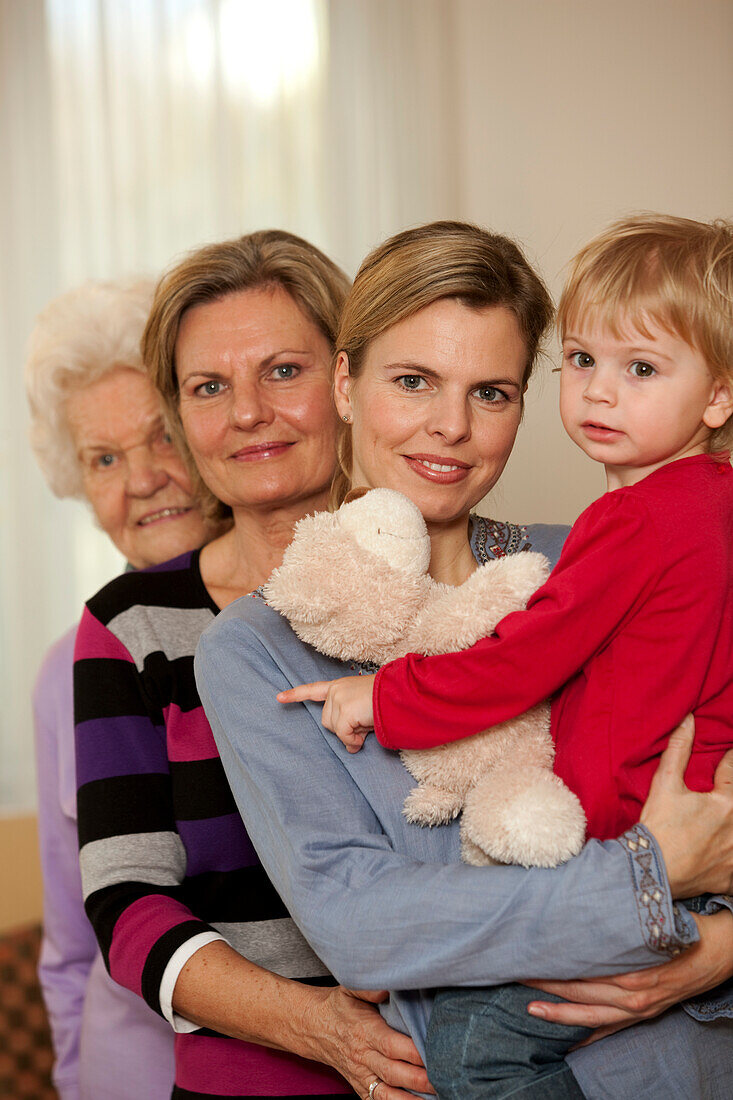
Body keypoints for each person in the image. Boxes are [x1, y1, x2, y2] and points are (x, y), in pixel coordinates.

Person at [196, 221, 733, 1100]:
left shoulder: (590, 557)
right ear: (344, 381)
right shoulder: (258, 652)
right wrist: (651, 875)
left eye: (491, 392)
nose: (450, 427)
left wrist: (717, 948)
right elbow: (364, 926)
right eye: (413, 382)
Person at [73, 231, 432, 1100]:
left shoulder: (456, 580)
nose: (245, 414)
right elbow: (126, 904)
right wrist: (320, 1029)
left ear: (348, 381)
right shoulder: (131, 627)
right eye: (208, 388)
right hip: (252, 1080)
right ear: (182, 416)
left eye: (282, 371)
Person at [26, 278, 214, 1100]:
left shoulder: (309, 613)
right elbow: (71, 946)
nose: (142, 480)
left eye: (162, 436)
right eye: (104, 459)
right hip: (128, 1072)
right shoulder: (62, 671)